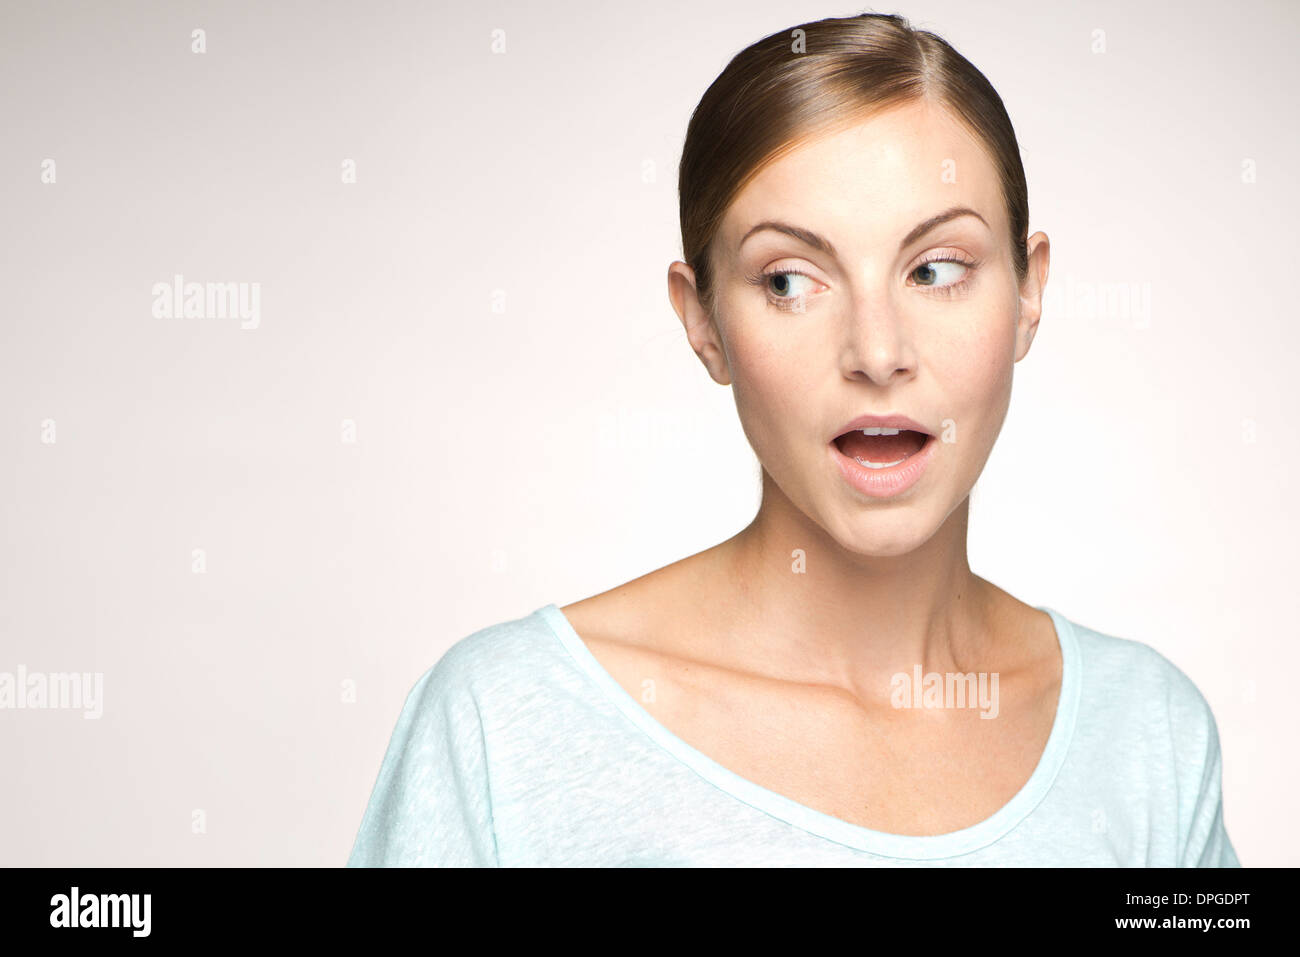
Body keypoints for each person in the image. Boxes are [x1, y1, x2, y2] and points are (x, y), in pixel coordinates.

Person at [347, 11, 1239, 866]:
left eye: (935, 270)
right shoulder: (505, 725)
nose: (878, 353)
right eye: (789, 281)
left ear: (1027, 294)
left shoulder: (1150, 739)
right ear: (702, 322)